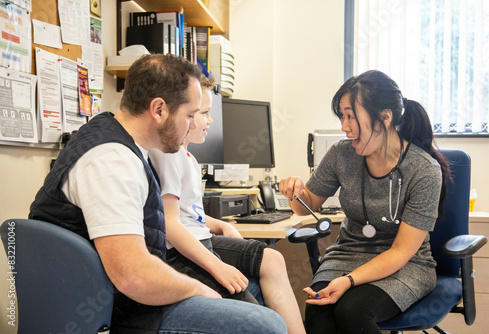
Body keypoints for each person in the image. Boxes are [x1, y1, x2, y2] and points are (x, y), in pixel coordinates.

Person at [29, 54, 287, 334]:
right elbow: (134, 277)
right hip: (123, 312)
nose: (192, 125)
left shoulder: (111, 135)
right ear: (159, 110)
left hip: (121, 298)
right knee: (265, 325)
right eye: (189, 115)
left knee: (253, 295)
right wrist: (198, 289)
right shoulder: (111, 161)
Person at [279, 70, 450, 334]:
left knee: (353, 312)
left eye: (350, 116)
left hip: (404, 265)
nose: (344, 126)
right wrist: (296, 192)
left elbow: (401, 251)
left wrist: (348, 281)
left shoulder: (423, 170)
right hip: (347, 255)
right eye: (342, 116)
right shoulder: (342, 154)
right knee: (318, 313)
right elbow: (308, 204)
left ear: (385, 117)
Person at [149, 76, 306, 333]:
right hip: (182, 251)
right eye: (203, 113)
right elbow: (170, 223)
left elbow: (189, 213)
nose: (210, 121)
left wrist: (219, 224)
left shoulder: (186, 156)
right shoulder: (167, 155)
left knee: (274, 259)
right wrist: (218, 267)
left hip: (201, 238)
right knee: (261, 322)